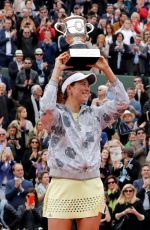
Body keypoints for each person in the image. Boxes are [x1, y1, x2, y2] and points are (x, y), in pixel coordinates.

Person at [40, 51, 129, 230]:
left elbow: (122, 103)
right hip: (62, 187)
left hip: (91, 186)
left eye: (88, 84)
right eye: (82, 83)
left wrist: (106, 69)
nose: (88, 87)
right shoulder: (56, 115)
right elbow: (45, 107)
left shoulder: (95, 114)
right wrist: (57, 69)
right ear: (69, 88)